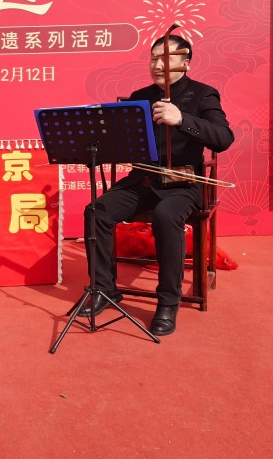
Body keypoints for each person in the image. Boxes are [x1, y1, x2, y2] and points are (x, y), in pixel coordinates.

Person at [81, 33, 234, 336]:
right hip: (143, 181)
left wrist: (182, 119)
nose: (158, 65)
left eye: (166, 58)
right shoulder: (141, 96)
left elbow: (224, 138)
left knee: (166, 215)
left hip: (184, 182)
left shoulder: (203, 95)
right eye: (153, 59)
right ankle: (105, 290)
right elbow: (123, 141)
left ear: (185, 63)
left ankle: (168, 301)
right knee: (96, 211)